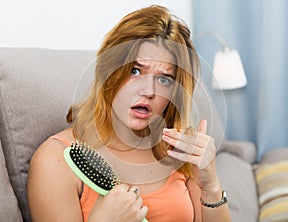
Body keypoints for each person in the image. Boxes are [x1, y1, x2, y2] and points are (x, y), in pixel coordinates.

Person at [27, 5, 232, 222]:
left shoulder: (179, 151)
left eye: (164, 79)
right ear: (108, 72)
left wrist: (211, 187)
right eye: (135, 71)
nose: (148, 91)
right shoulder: (55, 160)